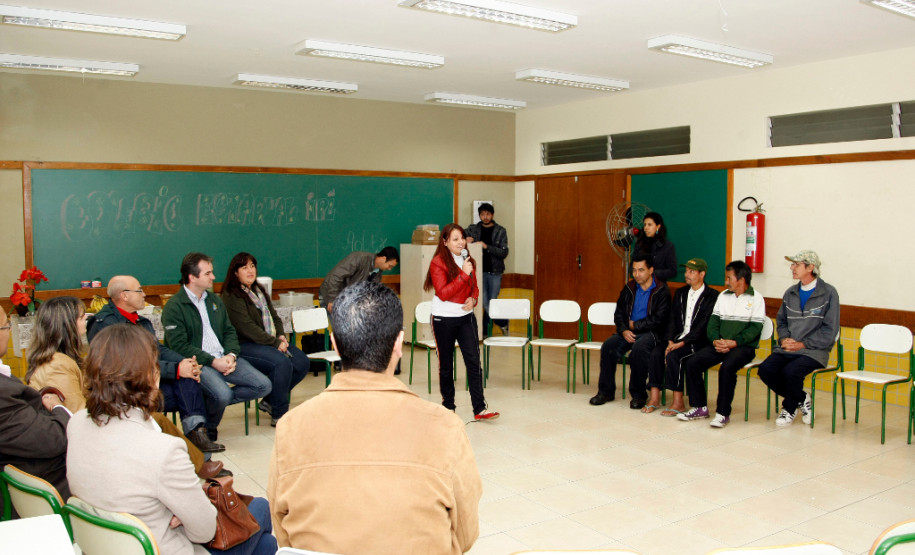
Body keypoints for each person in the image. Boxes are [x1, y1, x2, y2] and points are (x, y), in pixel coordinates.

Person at [268, 281, 482, 554]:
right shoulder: (445, 427)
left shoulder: (290, 427)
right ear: (398, 344)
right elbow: (465, 534)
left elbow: (283, 531)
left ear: (335, 344)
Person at [67, 324, 277, 555]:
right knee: (261, 509)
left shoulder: (76, 424)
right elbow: (205, 532)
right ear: (151, 376)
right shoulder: (163, 450)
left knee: (265, 543)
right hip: (164, 548)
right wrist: (175, 511)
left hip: (106, 546)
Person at [89, 275, 224, 454]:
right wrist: (176, 369)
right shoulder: (104, 324)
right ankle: (198, 449)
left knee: (189, 382)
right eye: (139, 290)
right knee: (189, 392)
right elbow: (131, 365)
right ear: (124, 295)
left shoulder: (141, 321)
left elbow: (159, 350)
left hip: (150, 384)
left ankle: (197, 436)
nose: (144, 294)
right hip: (125, 393)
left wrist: (184, 362)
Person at [163, 252, 272, 439]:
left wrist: (231, 355)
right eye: (207, 273)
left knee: (263, 385)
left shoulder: (214, 301)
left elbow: (229, 331)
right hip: (200, 362)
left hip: (224, 357)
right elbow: (179, 346)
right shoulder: (174, 306)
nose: (213, 277)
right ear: (192, 277)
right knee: (222, 394)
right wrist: (213, 362)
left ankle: (207, 407)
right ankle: (210, 426)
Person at [221, 252, 309, 426]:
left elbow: (275, 317)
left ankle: (269, 401)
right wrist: (275, 343)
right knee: (281, 362)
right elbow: (247, 327)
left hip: (267, 341)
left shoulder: (259, 291)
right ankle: (279, 413)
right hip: (245, 345)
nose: (250, 271)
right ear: (235, 272)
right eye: (244, 267)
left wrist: (281, 335)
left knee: (301, 362)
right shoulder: (231, 295)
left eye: (252, 266)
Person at [423, 223, 499, 420]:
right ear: (445, 242)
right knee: (446, 365)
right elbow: (444, 293)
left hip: (466, 318)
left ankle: (479, 408)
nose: (461, 243)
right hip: (443, 318)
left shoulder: (468, 259)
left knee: (474, 362)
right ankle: (448, 407)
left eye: (462, 238)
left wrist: (473, 299)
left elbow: (474, 287)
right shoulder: (438, 262)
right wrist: (463, 274)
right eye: (455, 239)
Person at [678, 260, 766, 428]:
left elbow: (755, 329)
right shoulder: (723, 296)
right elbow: (713, 323)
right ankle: (699, 407)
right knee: (693, 362)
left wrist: (734, 342)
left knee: (727, 368)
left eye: (729, 278)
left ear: (741, 279)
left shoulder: (757, 298)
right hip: (720, 344)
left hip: (743, 347)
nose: (726, 282)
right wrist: (716, 339)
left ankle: (722, 413)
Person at [759, 250, 840, 427]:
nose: (792, 268)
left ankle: (789, 409)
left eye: (796, 264)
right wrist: (784, 339)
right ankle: (801, 398)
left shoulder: (829, 293)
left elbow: (830, 330)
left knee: (791, 371)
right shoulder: (790, 293)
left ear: (810, 268)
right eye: (792, 264)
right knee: (765, 370)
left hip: (814, 351)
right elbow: (781, 322)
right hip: (788, 349)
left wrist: (803, 344)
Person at [0, 308, 72, 503]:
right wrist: (58, 408)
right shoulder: (3, 394)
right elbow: (53, 439)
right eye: (6, 326)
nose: (9, 331)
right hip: (37, 493)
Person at [589, 253, 670, 409]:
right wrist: (624, 330)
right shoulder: (629, 288)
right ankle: (605, 392)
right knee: (608, 346)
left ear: (651, 270)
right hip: (628, 331)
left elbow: (659, 319)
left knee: (639, 350)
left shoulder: (661, 290)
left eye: (641, 270)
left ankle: (639, 395)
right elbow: (619, 313)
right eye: (634, 270)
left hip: (651, 332)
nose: (637, 274)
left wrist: (635, 326)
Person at [647, 259, 719, 417]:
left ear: (702, 274)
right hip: (677, 339)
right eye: (686, 271)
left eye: (691, 271)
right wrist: (670, 340)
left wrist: (681, 344)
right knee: (656, 353)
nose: (686, 274)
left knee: (674, 356)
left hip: (698, 341)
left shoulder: (712, 296)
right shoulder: (681, 293)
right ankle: (654, 397)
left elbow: (704, 326)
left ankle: (678, 402)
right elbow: (672, 319)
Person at [465, 202, 510, 335]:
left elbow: (504, 253)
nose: (485, 217)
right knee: (485, 303)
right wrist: (465, 240)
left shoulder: (500, 230)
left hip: (495, 272)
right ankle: (503, 322)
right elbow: (457, 238)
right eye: (483, 214)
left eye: (488, 214)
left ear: (492, 215)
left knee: (492, 302)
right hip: (479, 272)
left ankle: (485, 331)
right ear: (479, 215)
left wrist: (486, 247)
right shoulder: (473, 229)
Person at [318, 246, 399, 312]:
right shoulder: (359, 258)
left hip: (346, 300)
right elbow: (335, 276)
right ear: (384, 258)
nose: (389, 269)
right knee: (336, 324)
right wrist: (332, 299)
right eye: (390, 266)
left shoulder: (378, 273)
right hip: (330, 294)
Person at [632, 212, 677, 282]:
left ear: (658, 226)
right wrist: (638, 271)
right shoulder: (639, 244)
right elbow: (632, 265)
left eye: (649, 225)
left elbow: (672, 271)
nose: (646, 228)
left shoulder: (668, 246)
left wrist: (651, 273)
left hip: (658, 285)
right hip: (640, 284)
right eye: (645, 225)